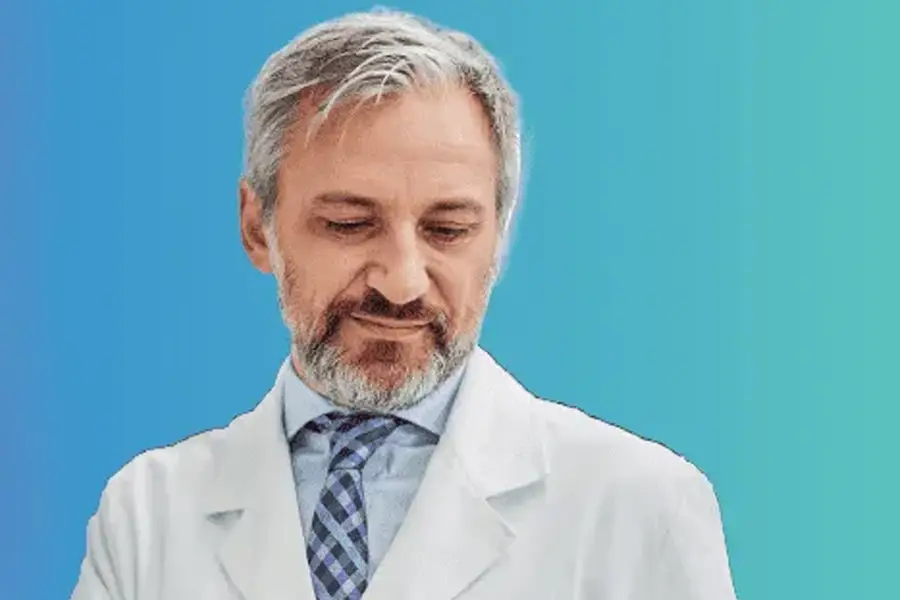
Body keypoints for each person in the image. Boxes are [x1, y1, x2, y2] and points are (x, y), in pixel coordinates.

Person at [71, 8, 737, 600]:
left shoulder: (641, 506)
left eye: (448, 230)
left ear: (499, 236)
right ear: (256, 227)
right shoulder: (149, 514)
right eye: (348, 223)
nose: (402, 283)